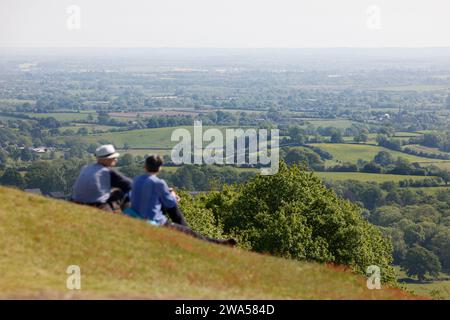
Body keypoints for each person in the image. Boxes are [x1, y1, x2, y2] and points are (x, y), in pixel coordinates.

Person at [129, 155, 236, 246]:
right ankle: (217, 243)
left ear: (145, 166)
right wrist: (174, 196)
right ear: (159, 168)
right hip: (153, 220)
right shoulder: (159, 183)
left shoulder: (137, 180)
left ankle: (218, 242)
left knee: (184, 229)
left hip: (135, 215)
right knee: (189, 232)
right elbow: (170, 203)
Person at [72, 144, 132, 212]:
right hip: (98, 205)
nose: (116, 159)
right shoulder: (107, 171)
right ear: (107, 159)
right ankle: (127, 213)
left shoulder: (86, 167)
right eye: (114, 158)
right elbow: (130, 184)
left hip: (76, 202)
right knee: (124, 192)